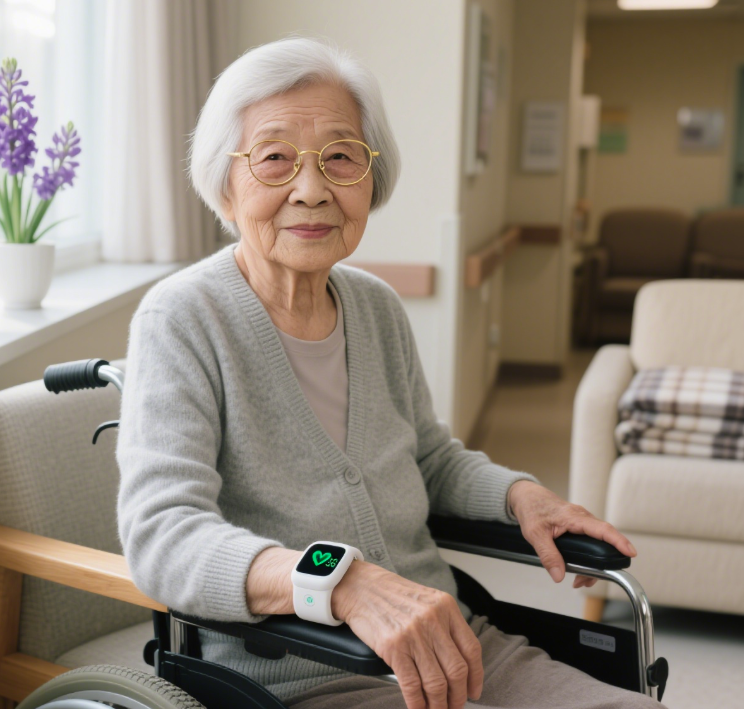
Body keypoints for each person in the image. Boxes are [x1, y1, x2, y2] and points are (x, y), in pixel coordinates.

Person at [116, 35, 666, 709]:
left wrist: (520, 496)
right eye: (274, 159)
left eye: (340, 157)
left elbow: (428, 460)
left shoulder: (373, 305)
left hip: (456, 645)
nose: (312, 189)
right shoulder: (182, 317)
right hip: (304, 670)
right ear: (225, 185)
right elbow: (162, 533)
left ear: (370, 178)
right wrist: (338, 581)